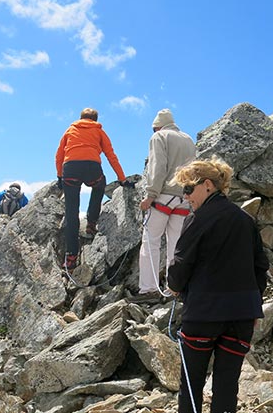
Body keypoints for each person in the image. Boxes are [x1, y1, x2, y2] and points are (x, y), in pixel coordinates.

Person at [164, 157, 269, 413]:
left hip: (204, 314)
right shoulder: (244, 219)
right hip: (241, 317)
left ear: (207, 184)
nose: (186, 196)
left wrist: (175, 284)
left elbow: (180, 268)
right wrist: (247, 301)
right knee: (227, 388)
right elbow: (260, 267)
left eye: (188, 189)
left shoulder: (200, 218)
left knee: (192, 385)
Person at [130, 108, 196, 303]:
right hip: (183, 197)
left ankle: (148, 289)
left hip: (163, 196)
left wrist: (150, 195)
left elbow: (158, 167)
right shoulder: (188, 140)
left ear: (157, 126)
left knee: (151, 242)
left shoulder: (159, 137)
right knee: (176, 245)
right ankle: (173, 288)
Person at [55, 107, 133, 269]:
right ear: (95, 120)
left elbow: (59, 155)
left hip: (70, 169)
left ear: (81, 117)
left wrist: (60, 176)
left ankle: (71, 257)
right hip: (92, 167)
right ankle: (91, 223)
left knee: (71, 212)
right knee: (99, 185)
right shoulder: (99, 132)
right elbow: (111, 155)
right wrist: (122, 179)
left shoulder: (70, 130)